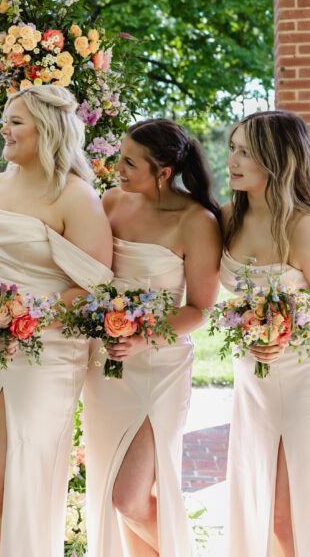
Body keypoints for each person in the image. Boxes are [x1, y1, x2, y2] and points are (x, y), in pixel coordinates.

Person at [0, 85, 113, 556]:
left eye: (15, 122)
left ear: (46, 130)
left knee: (20, 483)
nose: (4, 129)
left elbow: (95, 286)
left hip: (44, 353)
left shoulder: (75, 196)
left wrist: (25, 318)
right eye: (5, 119)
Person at [221, 110, 310, 557]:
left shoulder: (305, 228)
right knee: (262, 504)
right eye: (232, 148)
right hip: (254, 380)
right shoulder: (226, 218)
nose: (233, 160)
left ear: (277, 160)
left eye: (247, 151)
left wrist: (288, 336)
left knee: (295, 510)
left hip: (307, 378)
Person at [83, 119, 221, 557]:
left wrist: (143, 340)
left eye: (129, 162)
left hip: (158, 367)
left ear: (163, 172)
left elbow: (199, 307)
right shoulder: (110, 202)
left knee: (130, 497)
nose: (117, 167)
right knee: (111, 491)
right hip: (107, 365)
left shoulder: (197, 220)